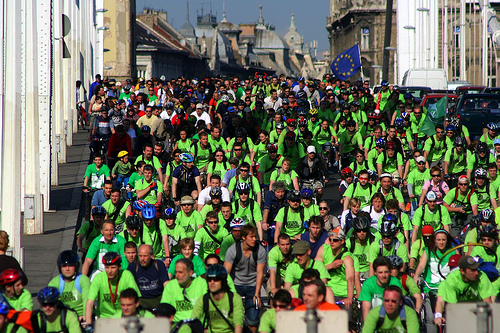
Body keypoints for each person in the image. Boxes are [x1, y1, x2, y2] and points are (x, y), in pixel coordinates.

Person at [224, 224, 266, 333]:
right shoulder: (233, 250)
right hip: (236, 285)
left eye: (255, 236)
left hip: (253, 285)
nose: (254, 239)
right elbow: (226, 273)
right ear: (243, 237)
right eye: (251, 236)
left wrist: (257, 294)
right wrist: (227, 291)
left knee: (253, 321)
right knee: (234, 318)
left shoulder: (260, 250)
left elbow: (260, 273)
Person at [434, 255, 496, 327]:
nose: (476, 273)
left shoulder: (482, 277)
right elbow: (453, 308)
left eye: (476, 269)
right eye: (472, 270)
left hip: (478, 312)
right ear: (462, 271)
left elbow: (487, 303)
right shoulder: (451, 280)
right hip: (460, 313)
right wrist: (438, 316)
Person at [85, 252, 141, 324]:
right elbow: (90, 302)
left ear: (119, 267)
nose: (110, 271)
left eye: (113, 267)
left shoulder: (127, 275)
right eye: (107, 267)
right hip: (103, 318)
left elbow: (136, 298)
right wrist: (88, 323)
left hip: (124, 317)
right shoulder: (99, 278)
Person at [315, 227, 359, 311]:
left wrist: (349, 298)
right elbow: (315, 270)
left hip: (343, 293)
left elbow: (350, 278)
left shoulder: (347, 258)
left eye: (335, 240)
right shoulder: (323, 249)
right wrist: (331, 266)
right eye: (330, 239)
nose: (332, 242)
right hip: (327, 291)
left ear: (342, 241)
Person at [191, 265, 244, 333]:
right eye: (209, 280)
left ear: (223, 281)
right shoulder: (204, 299)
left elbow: (238, 321)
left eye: (216, 279)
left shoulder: (234, 298)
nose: (212, 282)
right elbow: (193, 320)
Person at [161, 258, 207, 324]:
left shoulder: (202, 284)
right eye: (176, 272)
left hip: (197, 326)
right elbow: (164, 309)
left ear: (190, 273)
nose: (177, 275)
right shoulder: (170, 285)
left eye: (180, 272)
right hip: (177, 326)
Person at [48, 250, 91, 319]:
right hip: (63, 317)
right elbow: (50, 304)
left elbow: (87, 301)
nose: (67, 269)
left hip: (81, 316)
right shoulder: (54, 283)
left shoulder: (83, 280)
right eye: (64, 266)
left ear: (76, 266)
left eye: (70, 266)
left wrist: (85, 317)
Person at [128, 244, 168, 310]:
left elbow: (166, 283)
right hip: (141, 300)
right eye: (140, 256)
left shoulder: (159, 265)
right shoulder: (133, 267)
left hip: (158, 299)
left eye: (145, 256)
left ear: (151, 256)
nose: (142, 259)